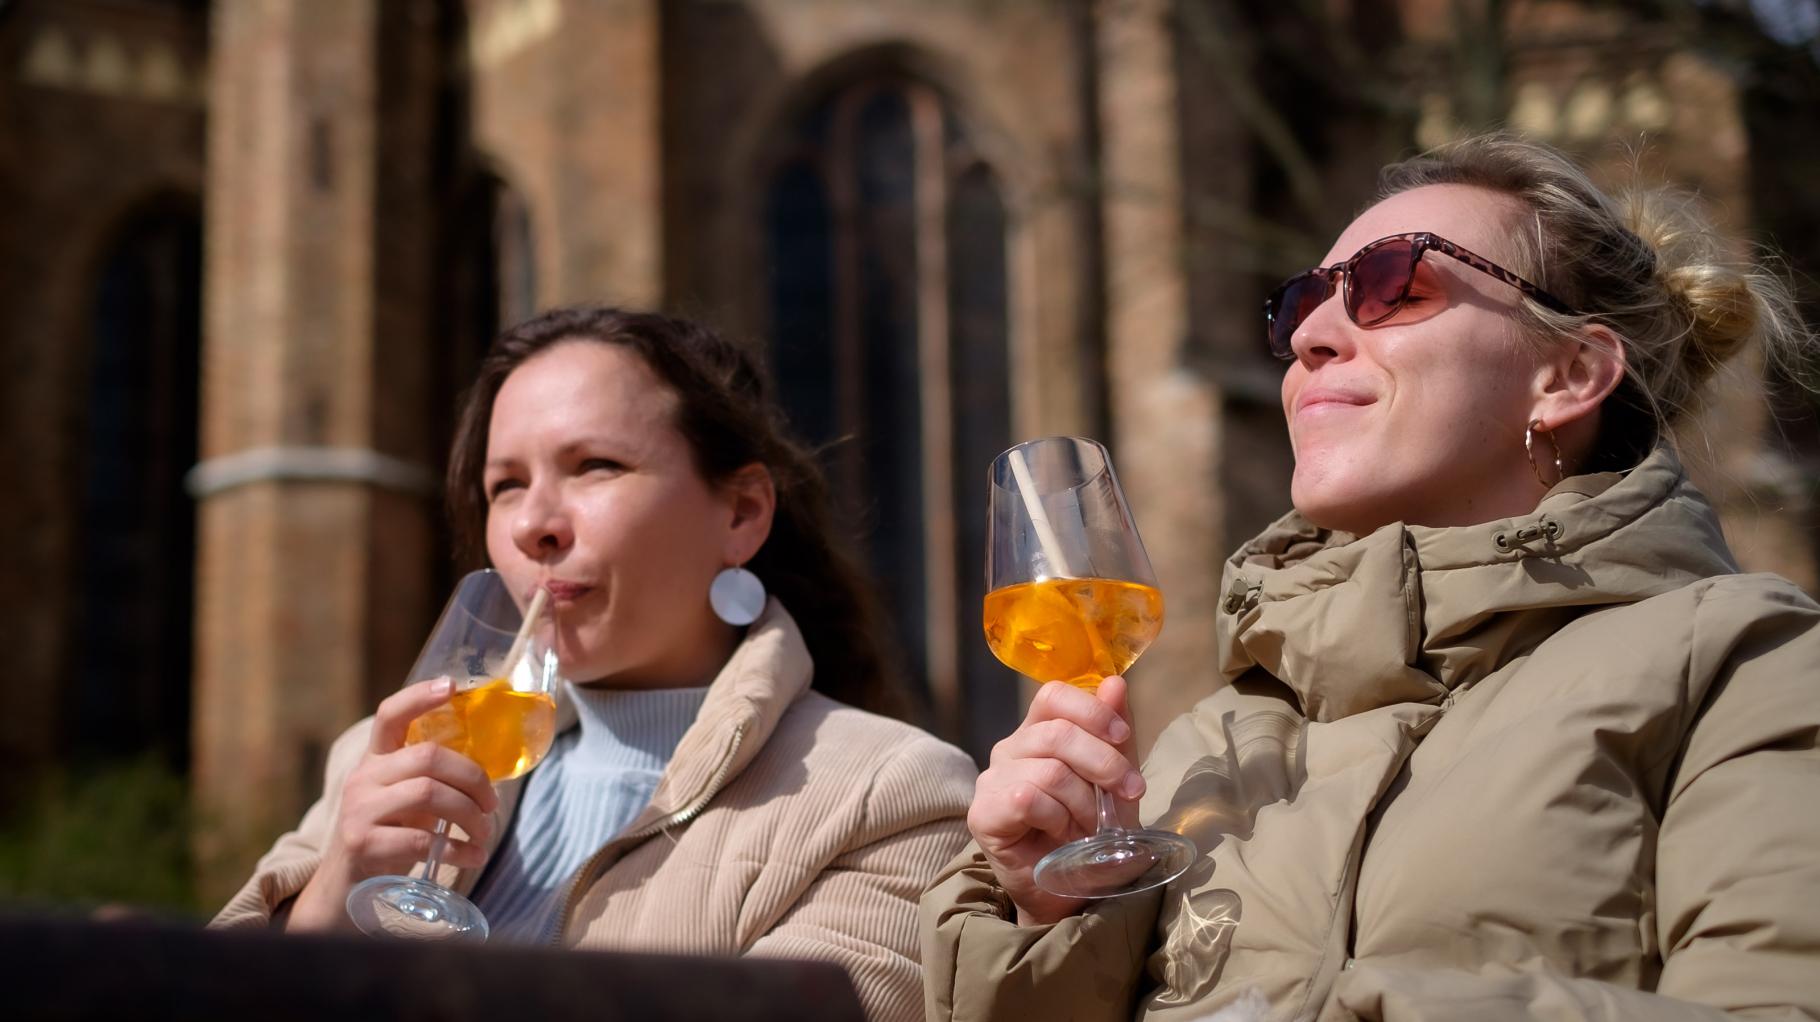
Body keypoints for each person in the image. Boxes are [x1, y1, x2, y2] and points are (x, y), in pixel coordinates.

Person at [921, 133, 1820, 1020]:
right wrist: (1044, 908)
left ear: (1570, 373)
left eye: (1394, 283)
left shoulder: (1742, 663)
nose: (1310, 334)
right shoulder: (1212, 741)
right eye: (1299, 303)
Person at [214, 306, 977, 1022]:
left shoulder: (890, 797)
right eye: (506, 486)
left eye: (595, 466)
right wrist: (324, 907)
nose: (535, 525)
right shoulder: (385, 761)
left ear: (741, 514)